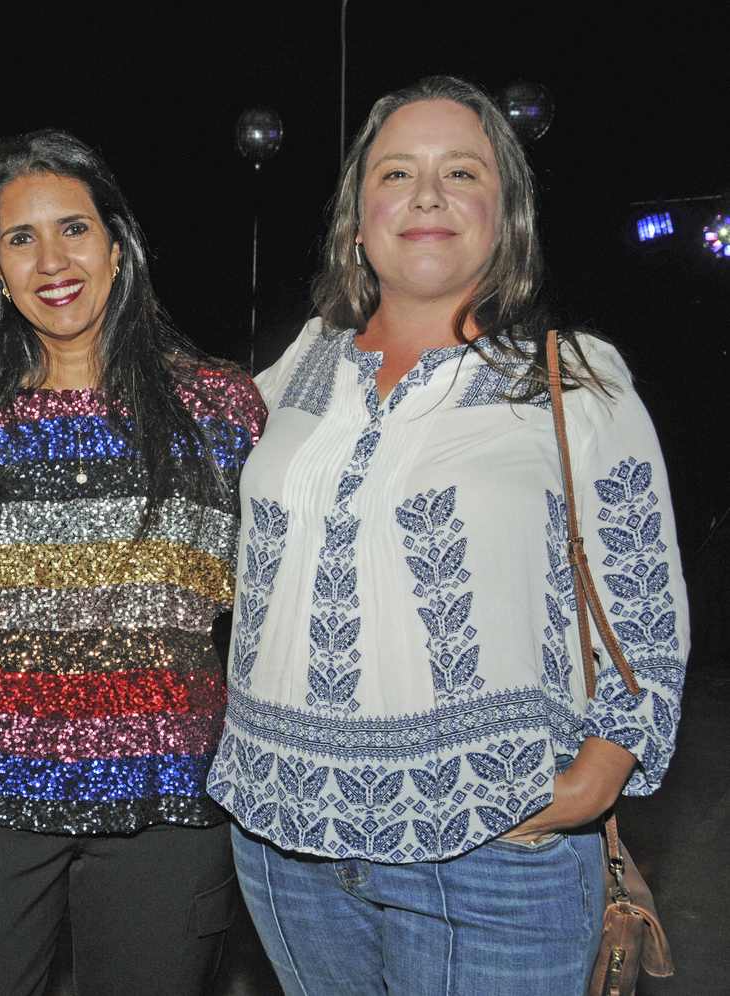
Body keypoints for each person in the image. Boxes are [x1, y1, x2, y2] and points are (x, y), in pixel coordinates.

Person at [206, 76, 688, 995]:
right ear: (358, 220)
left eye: (460, 171)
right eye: (397, 172)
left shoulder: (574, 380)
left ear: (505, 217)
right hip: (284, 849)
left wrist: (591, 784)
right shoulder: (300, 364)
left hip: (491, 856)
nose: (426, 193)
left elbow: (642, 611)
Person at [0, 129, 266, 996]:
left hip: (167, 794)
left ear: (117, 242)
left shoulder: (217, 411)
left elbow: (277, 610)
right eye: (21, 239)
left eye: (74, 229)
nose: (51, 259)